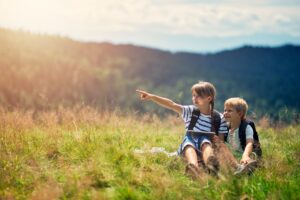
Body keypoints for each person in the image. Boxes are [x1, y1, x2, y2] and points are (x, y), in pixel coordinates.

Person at [136, 81, 228, 179]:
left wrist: (220, 157)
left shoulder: (219, 118)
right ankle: (193, 168)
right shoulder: (190, 111)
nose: (194, 98)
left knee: (205, 141)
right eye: (193, 95)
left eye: (198, 96)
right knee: (189, 143)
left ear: (209, 98)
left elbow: (220, 142)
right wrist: (151, 97)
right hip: (187, 150)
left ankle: (211, 164)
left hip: (207, 150)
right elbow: (171, 104)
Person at [221, 97, 258, 174]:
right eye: (225, 110)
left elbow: (249, 143)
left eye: (229, 111)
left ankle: (245, 168)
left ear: (239, 114)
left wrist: (245, 155)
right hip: (231, 155)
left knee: (249, 159)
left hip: (245, 154)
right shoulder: (225, 127)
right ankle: (238, 169)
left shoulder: (246, 127)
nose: (225, 113)